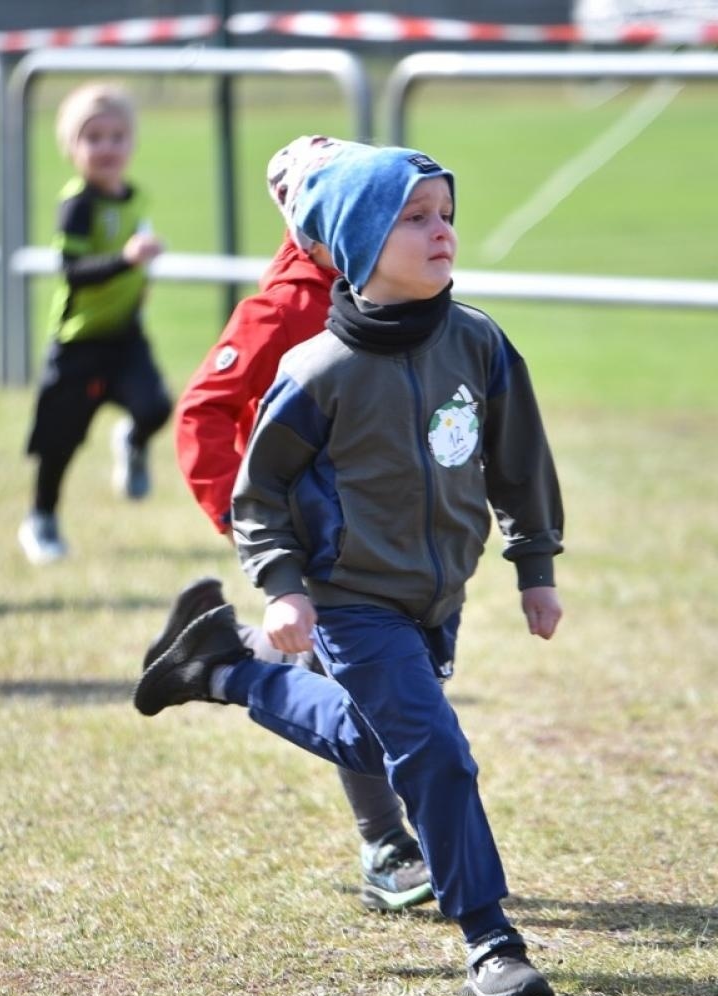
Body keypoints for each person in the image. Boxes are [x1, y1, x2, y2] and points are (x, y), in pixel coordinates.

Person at [135, 145, 565, 996]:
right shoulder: (315, 371)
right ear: (361, 239)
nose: (440, 230)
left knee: (383, 744)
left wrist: (535, 564)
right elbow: (258, 497)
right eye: (414, 218)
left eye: (445, 213)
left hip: (434, 598)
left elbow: (519, 461)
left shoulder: (477, 343)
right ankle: (491, 938)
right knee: (436, 752)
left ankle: (224, 669)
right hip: (348, 597)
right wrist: (284, 582)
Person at [155, 135, 432, 912]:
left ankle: (220, 653)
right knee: (366, 689)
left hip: (383, 530)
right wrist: (243, 523)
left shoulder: (383, 282)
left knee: (353, 678)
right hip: (313, 533)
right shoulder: (282, 307)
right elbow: (204, 411)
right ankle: (388, 845)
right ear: (310, 224)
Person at [18, 82, 172, 564]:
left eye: (117, 135)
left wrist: (140, 279)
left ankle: (131, 439)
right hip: (79, 340)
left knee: (156, 406)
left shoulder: (138, 198)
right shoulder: (78, 205)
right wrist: (126, 262)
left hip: (125, 336)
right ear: (72, 147)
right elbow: (72, 272)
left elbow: (136, 259)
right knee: (59, 440)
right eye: (93, 136)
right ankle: (41, 519)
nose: (107, 147)